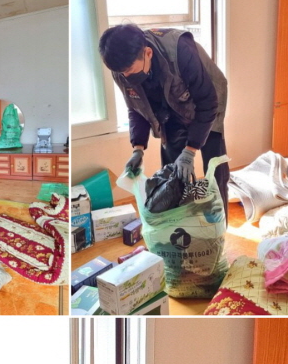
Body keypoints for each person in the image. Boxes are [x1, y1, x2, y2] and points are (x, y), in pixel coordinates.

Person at [98, 22, 229, 218]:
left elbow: (208, 103)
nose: (126, 77)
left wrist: (190, 150)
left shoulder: (180, 50)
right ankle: (177, 227)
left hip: (206, 105)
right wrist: (138, 148)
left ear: (148, 53)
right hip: (168, 113)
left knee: (215, 170)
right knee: (172, 177)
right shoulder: (122, 68)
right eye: (121, 73)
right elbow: (136, 108)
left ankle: (217, 226)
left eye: (130, 70)